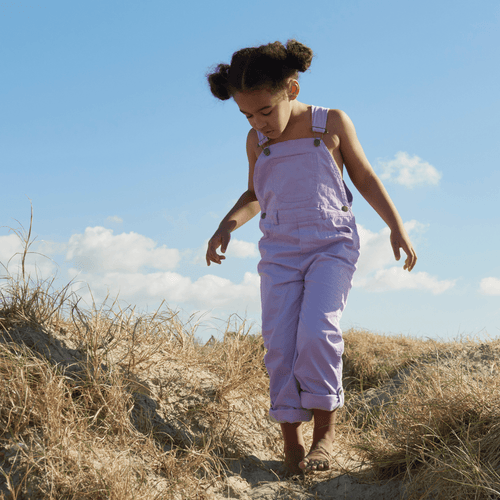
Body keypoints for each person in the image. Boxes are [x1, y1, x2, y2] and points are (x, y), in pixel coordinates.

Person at [205, 39, 417, 477]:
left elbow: (365, 176)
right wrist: (227, 224)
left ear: (292, 90)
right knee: (279, 343)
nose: (258, 122)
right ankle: (290, 440)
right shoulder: (255, 141)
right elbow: (255, 193)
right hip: (279, 250)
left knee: (318, 332)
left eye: (265, 111)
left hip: (331, 245)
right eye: (247, 115)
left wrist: (396, 226)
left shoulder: (330, 123)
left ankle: (325, 433)